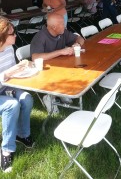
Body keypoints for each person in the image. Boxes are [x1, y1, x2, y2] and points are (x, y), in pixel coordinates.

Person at [30, 13, 85, 113]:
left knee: (77, 67)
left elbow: (80, 38)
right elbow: (35, 57)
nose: (64, 26)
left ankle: (61, 91)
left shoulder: (62, 32)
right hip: (45, 70)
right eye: (62, 24)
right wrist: (60, 52)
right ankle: (49, 97)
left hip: (60, 66)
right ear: (54, 27)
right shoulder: (40, 37)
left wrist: (78, 44)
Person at [0, 17, 34, 173]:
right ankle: (6, 150)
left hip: (6, 87)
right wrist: (13, 71)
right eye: (13, 34)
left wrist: (25, 68)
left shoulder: (9, 49)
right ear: (2, 38)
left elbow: (12, 73)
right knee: (11, 105)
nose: (16, 36)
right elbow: (5, 75)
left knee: (26, 98)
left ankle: (22, 134)